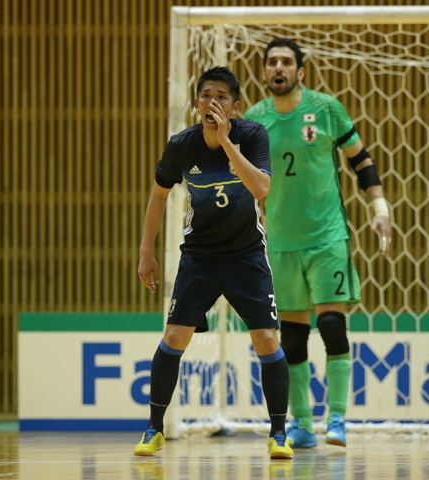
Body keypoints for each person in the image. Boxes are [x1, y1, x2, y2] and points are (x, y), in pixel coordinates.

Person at [135, 66, 293, 460]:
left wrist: (226, 143)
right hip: (200, 257)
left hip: (246, 256)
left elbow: (261, 188)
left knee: (267, 340)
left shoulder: (252, 135)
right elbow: (159, 195)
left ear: (235, 108)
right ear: (196, 103)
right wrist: (146, 251)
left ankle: (278, 434)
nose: (213, 102)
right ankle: (154, 429)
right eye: (206, 95)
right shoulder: (181, 145)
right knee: (175, 336)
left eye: (222, 97)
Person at [245, 38, 392, 448]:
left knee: (331, 326)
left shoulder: (326, 109)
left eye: (286, 62)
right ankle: (303, 424)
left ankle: (338, 419)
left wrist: (380, 207)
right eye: (272, 62)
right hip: (281, 243)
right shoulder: (254, 119)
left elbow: (361, 159)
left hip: (327, 237)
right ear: (264, 71)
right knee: (292, 338)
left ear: (300, 71)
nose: (278, 67)